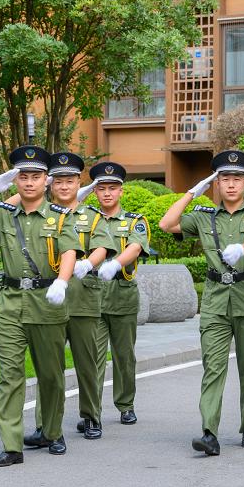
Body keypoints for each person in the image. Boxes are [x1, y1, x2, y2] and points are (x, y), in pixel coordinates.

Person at [0, 146, 81, 467]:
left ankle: (51, 430)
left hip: (47, 303)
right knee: (10, 376)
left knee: (50, 376)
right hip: (10, 305)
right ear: (16, 180)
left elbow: (68, 253)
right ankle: (12, 445)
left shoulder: (59, 217)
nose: (29, 182)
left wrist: (62, 283)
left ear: (46, 181)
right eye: (22, 176)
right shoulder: (2, 215)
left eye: (35, 176)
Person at [159, 150, 244, 456]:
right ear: (217, 183)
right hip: (214, 300)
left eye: (237, 178)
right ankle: (209, 432)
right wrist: (190, 193)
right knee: (213, 367)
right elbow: (166, 224)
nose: (231, 185)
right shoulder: (203, 215)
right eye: (225, 179)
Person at [14, 152, 116, 446]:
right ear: (49, 183)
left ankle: (91, 415)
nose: (63, 186)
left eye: (69, 180)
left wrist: (87, 264)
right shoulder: (38, 215)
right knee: (49, 367)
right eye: (58, 180)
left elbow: (102, 247)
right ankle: (46, 425)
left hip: (82, 299)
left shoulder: (92, 216)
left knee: (86, 362)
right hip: (47, 301)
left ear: (78, 183)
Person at [89, 161, 150, 432]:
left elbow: (136, 248)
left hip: (122, 294)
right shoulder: (86, 220)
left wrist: (114, 263)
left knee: (124, 355)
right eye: (101, 188)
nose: (107, 193)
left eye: (113, 188)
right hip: (91, 294)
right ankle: (91, 411)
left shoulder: (134, 221)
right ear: (94, 192)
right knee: (92, 356)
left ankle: (126, 405)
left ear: (122, 191)